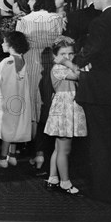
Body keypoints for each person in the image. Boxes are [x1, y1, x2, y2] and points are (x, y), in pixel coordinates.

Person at [73, 0, 111, 203]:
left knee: (100, 144)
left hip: (99, 90)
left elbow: (89, 51)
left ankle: (104, 191)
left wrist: (77, 62)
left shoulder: (101, 22)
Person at [16, 0, 64, 171]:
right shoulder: (57, 19)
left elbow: (19, 48)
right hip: (51, 65)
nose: (28, 1)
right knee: (48, 108)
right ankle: (43, 152)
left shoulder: (25, 20)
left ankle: (35, 152)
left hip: (30, 65)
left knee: (32, 109)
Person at [44, 36, 86, 195]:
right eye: (63, 54)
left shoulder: (65, 66)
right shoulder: (58, 68)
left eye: (71, 54)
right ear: (55, 56)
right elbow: (78, 75)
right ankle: (65, 182)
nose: (67, 57)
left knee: (59, 147)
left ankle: (53, 177)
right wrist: (67, 62)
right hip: (64, 108)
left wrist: (68, 61)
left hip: (67, 107)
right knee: (64, 149)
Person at [0, 31, 32, 168]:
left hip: (8, 99)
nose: (2, 44)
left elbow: (5, 82)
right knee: (14, 127)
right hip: (19, 99)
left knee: (6, 128)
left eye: (5, 42)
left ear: (11, 44)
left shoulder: (8, 61)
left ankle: (3, 158)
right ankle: (12, 155)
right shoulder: (22, 59)